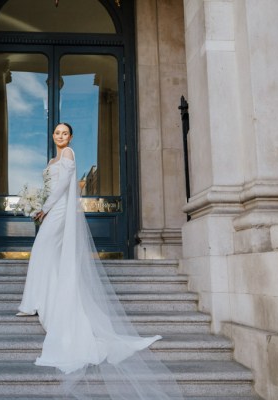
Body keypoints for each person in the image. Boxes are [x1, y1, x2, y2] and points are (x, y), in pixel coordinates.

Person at [17, 123, 183, 399]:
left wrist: (44, 209)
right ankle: (39, 299)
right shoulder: (51, 160)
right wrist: (38, 202)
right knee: (45, 253)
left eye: (65, 133)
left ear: (70, 137)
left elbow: (61, 188)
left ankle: (37, 301)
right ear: (53, 136)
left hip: (60, 212)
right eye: (57, 133)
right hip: (51, 209)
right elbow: (48, 186)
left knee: (42, 248)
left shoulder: (68, 155)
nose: (60, 137)